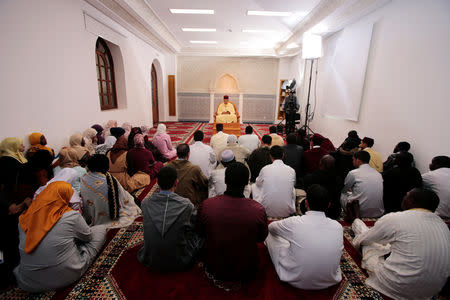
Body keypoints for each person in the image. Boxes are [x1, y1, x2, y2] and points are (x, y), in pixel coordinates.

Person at [352, 188, 450, 300]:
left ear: (412, 201)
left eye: (406, 195)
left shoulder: (395, 218)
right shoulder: (443, 226)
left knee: (369, 244)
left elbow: (363, 240)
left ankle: (356, 220)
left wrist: (357, 227)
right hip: (432, 290)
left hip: (398, 285)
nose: (403, 197)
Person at [14, 181, 106, 292]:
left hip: (29, 282)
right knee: (100, 230)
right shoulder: (70, 215)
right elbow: (88, 237)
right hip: (64, 275)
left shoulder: (24, 218)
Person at [197, 162, 268, 284]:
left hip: (214, 266)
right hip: (246, 268)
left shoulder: (207, 206)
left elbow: (200, 233)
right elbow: (261, 238)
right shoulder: (258, 210)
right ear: (247, 183)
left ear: (225, 180)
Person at [266, 184, 343, 290]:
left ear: (306, 203)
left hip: (295, 279)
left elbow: (271, 227)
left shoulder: (295, 222)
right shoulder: (338, 227)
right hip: (329, 280)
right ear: (328, 205)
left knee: (270, 234)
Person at [138, 166, 203, 272]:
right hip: (180, 261)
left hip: (150, 260)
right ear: (176, 182)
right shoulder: (186, 205)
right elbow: (196, 227)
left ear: (157, 182)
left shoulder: (145, 203)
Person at [81, 154, 141, 228]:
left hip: (90, 215)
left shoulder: (84, 178)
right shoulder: (108, 180)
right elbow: (122, 196)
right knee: (133, 200)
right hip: (109, 214)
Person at [253, 146, 296, 218]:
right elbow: (293, 184)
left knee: (254, 186)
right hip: (287, 211)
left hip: (266, 210)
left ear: (270, 156)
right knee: (293, 189)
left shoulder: (265, 169)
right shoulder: (291, 170)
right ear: (283, 155)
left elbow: (258, 183)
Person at [341, 151, 384, 218]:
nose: (352, 161)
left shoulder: (353, 173)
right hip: (378, 212)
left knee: (342, 194)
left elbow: (344, 190)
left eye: (353, 159)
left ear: (358, 160)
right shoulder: (378, 174)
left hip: (358, 212)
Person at [298, 155, 343, 219]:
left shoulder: (310, 178)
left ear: (320, 164)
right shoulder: (338, 179)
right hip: (333, 211)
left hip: (313, 208)